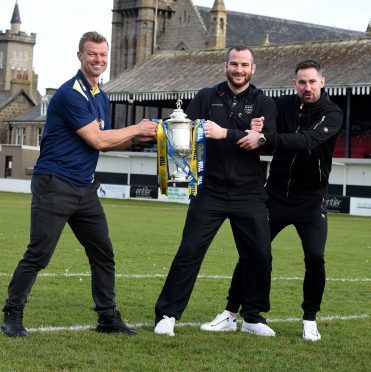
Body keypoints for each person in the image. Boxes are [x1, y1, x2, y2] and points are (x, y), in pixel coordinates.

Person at [1, 31, 158, 338]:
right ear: (80, 56)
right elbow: (97, 138)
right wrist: (136, 127)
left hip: (84, 188)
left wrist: (141, 137)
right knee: (39, 254)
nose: (98, 60)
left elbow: (104, 144)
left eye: (102, 55)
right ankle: (12, 314)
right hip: (55, 184)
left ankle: (107, 317)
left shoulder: (101, 95)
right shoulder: (70, 94)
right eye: (92, 54)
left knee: (103, 253)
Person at [200, 59, 343, 342]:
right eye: (302, 82)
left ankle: (310, 318)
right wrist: (258, 125)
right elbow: (264, 123)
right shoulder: (283, 105)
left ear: (322, 82)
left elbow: (305, 141)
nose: (307, 87)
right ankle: (230, 314)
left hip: (311, 201)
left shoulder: (332, 113)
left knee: (315, 257)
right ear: (295, 84)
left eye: (312, 82)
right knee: (253, 253)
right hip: (275, 195)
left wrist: (264, 137)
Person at [154, 45, 277, 337]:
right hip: (209, 190)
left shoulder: (264, 103)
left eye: (244, 65)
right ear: (226, 66)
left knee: (260, 255)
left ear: (252, 69)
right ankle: (167, 314)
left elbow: (270, 143)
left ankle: (252, 317)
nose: (239, 69)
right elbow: (186, 135)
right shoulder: (206, 96)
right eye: (234, 63)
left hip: (249, 193)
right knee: (189, 252)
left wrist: (239, 135)